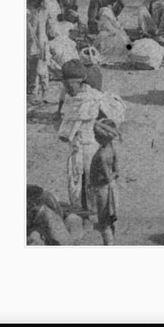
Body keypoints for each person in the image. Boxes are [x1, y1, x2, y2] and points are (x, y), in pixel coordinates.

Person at [57, 60, 105, 226]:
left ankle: (92, 216)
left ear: (80, 82)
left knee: (90, 183)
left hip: (90, 147)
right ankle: (82, 214)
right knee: (76, 184)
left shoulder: (93, 99)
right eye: (66, 86)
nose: (69, 89)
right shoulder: (72, 98)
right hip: (76, 147)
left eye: (71, 85)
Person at [90, 118, 120, 245]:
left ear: (101, 138)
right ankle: (112, 242)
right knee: (109, 220)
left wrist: (95, 183)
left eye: (96, 135)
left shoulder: (101, 155)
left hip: (103, 190)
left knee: (104, 223)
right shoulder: (112, 149)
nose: (94, 137)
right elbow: (117, 171)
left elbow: (107, 177)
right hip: (111, 188)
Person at [27, 0, 51, 104]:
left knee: (38, 68)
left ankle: (41, 91)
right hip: (33, 43)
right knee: (35, 68)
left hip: (38, 43)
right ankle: (36, 92)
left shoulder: (43, 11)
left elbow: (50, 28)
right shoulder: (39, 11)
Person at [95, 0, 132, 64]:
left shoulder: (102, 11)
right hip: (111, 30)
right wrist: (120, 28)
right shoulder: (107, 11)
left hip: (104, 31)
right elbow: (114, 22)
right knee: (124, 40)